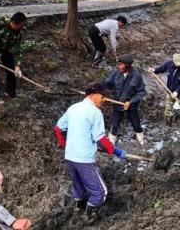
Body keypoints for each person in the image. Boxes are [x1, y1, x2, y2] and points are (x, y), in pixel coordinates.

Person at [54, 82, 127, 222]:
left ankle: (78, 208)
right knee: (101, 192)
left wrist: (65, 145)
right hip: (85, 159)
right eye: (102, 96)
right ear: (93, 95)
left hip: (70, 156)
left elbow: (58, 128)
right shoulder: (95, 112)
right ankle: (88, 218)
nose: (104, 99)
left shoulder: (73, 108)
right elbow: (100, 139)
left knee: (79, 186)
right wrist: (115, 150)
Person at [102, 55, 147, 145]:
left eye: (121, 64)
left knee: (136, 124)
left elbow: (141, 92)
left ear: (127, 65)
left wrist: (130, 102)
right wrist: (99, 91)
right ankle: (111, 141)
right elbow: (107, 83)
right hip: (118, 103)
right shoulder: (116, 73)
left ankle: (140, 138)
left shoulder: (136, 75)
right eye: (119, 64)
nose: (119, 67)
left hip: (131, 106)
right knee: (114, 123)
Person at [149, 53, 180, 125]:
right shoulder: (168, 64)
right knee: (168, 110)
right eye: (177, 64)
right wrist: (154, 70)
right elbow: (161, 69)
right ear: (173, 62)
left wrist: (177, 91)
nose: (178, 66)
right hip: (170, 91)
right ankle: (168, 125)